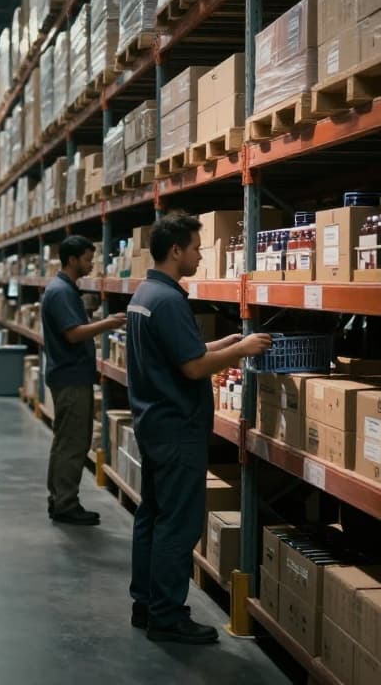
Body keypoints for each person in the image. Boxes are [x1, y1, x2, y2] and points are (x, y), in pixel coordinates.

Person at [125, 213, 272, 643]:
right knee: (179, 524)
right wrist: (244, 348)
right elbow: (191, 368)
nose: (200, 254)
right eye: (196, 248)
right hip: (177, 429)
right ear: (176, 251)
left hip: (153, 425)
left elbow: (179, 352)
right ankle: (168, 617)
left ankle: (146, 604)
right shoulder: (169, 300)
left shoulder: (146, 294)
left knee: (152, 516)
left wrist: (223, 345)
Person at [40, 235, 125, 525]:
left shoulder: (63, 289)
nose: (91, 265)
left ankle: (60, 499)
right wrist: (109, 323)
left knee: (66, 440)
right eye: (88, 259)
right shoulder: (61, 292)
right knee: (73, 442)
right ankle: (65, 503)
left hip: (69, 375)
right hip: (70, 376)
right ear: (72, 259)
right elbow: (73, 333)